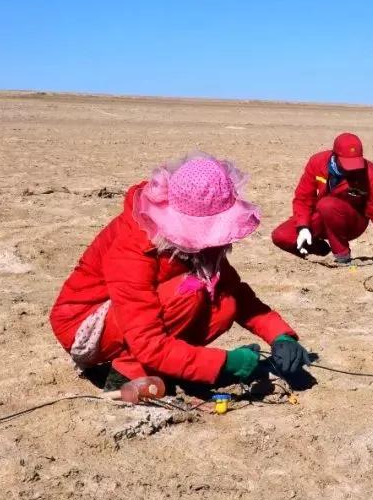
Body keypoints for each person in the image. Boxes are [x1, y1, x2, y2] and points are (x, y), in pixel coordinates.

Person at [49, 153, 311, 390]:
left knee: (225, 303)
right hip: (86, 326)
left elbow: (237, 293)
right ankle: (125, 375)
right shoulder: (134, 245)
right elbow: (147, 341)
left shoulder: (199, 250)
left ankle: (174, 367)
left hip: (135, 321)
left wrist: (280, 335)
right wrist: (224, 363)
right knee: (190, 290)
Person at [271, 132, 373, 265]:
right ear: (334, 156)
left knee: (327, 205)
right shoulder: (317, 162)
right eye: (347, 163)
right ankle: (322, 249)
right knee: (282, 236)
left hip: (353, 222)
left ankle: (342, 256)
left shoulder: (371, 174)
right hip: (322, 215)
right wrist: (303, 227)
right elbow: (303, 198)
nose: (352, 169)